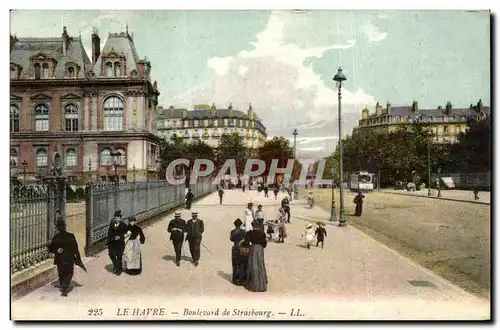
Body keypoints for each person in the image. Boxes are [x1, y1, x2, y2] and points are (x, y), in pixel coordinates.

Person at [48, 218, 84, 297]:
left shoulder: (56, 237)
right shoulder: (70, 236)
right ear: (65, 227)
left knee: (62, 273)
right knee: (69, 273)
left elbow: (50, 249)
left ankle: (63, 287)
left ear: (57, 228)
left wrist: (57, 250)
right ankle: (65, 287)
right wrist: (78, 258)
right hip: (69, 258)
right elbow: (75, 248)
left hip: (60, 259)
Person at [245, 220, 268, 292]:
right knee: (260, 264)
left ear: (252, 226)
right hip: (260, 249)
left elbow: (246, 242)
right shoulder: (262, 233)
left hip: (253, 249)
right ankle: (262, 283)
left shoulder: (249, 233)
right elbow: (264, 244)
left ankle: (253, 284)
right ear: (258, 226)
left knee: (253, 265)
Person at [106, 210, 128, 275]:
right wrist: (107, 243)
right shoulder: (112, 224)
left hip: (120, 243)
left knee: (119, 256)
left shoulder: (124, 225)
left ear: (120, 218)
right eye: (115, 218)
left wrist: (120, 237)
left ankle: (119, 270)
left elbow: (127, 233)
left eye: (118, 218)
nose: (116, 219)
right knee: (111, 254)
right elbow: (109, 233)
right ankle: (116, 265)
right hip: (112, 243)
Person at [230, 218, 248, 285]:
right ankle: (242, 280)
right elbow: (246, 239)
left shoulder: (233, 231)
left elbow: (231, 239)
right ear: (240, 225)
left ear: (235, 225)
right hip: (242, 248)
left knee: (235, 264)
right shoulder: (243, 231)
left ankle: (236, 280)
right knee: (242, 264)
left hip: (235, 248)